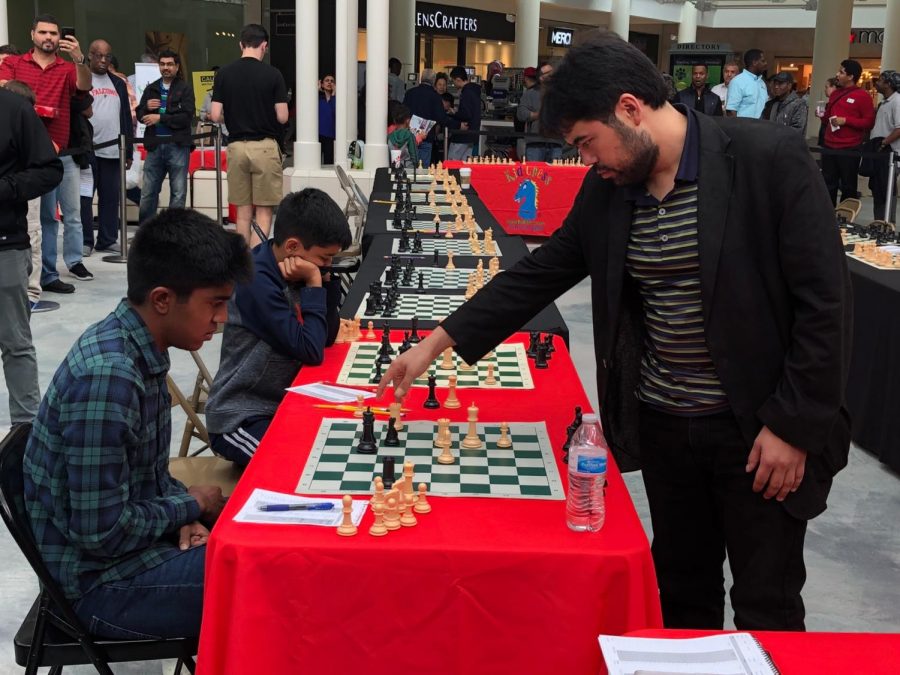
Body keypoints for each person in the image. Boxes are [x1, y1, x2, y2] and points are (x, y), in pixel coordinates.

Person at [378, 32, 852, 632]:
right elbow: (539, 273)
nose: (584, 160)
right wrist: (434, 344)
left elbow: (826, 305)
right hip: (663, 426)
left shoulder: (768, 159)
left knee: (768, 603)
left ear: (629, 109)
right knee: (682, 595)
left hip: (758, 433)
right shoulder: (611, 193)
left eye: (585, 142)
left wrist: (792, 426)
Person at [23, 208, 252, 639]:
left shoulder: (142, 345)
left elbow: (144, 476)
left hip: (127, 557)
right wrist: (190, 505)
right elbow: (100, 533)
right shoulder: (108, 376)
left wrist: (180, 514)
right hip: (97, 588)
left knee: (265, 543)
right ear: (163, 299)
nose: (221, 320)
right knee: (266, 575)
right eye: (215, 304)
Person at [206, 189, 350, 467]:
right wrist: (314, 283)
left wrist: (325, 278)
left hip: (280, 403)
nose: (327, 266)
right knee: (295, 468)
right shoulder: (257, 281)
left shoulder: (293, 266)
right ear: (294, 247)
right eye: (324, 258)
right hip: (240, 416)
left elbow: (326, 338)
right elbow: (311, 350)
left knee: (335, 449)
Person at [0, 14, 93, 294]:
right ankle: (32, 279)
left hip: (58, 150)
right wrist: (33, 111)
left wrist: (79, 60)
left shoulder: (66, 68)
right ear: (32, 35)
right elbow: (5, 93)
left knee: (62, 215)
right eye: (43, 32)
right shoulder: (14, 63)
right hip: (22, 154)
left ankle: (52, 273)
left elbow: (84, 87)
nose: (49, 37)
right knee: (33, 220)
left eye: (53, 33)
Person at [0, 87, 63, 426]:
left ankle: (25, 438)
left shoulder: (13, 109)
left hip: (5, 246)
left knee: (15, 344)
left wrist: (5, 189)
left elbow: (49, 170)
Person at [211, 23, 288, 246]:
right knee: (264, 213)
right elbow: (282, 116)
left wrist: (235, 116)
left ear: (240, 45)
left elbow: (215, 115)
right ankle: (256, 261)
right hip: (264, 146)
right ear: (264, 46)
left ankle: (242, 262)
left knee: (242, 213)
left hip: (236, 147)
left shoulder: (224, 73)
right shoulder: (273, 75)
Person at [84, 39, 133, 254]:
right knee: (85, 198)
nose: (103, 60)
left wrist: (128, 151)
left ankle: (107, 238)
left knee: (111, 199)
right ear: (89, 56)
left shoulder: (118, 83)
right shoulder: (82, 79)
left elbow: (125, 118)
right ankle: (86, 241)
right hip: (87, 151)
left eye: (107, 56)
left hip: (114, 151)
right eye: (98, 55)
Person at [136, 49, 195, 226]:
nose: (166, 68)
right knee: (148, 192)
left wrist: (161, 117)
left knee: (178, 193)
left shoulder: (185, 89)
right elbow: (139, 115)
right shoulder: (151, 88)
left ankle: (173, 233)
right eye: (162, 64)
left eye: (170, 64)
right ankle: (146, 233)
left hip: (177, 145)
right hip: (154, 145)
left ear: (177, 67)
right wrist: (146, 107)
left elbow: (186, 117)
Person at [821, 59, 875, 205]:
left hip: (849, 148)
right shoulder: (835, 94)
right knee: (827, 184)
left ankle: (845, 218)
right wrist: (822, 115)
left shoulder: (862, 96)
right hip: (829, 146)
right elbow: (827, 119)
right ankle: (828, 217)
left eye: (841, 72)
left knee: (848, 185)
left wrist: (846, 121)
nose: (837, 74)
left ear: (851, 77)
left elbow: (868, 122)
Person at [403, 68, 460, 167]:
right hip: (426, 138)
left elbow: (403, 113)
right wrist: (458, 125)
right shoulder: (435, 97)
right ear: (434, 81)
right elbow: (442, 118)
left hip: (409, 136)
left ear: (421, 79)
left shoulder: (409, 93)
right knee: (423, 169)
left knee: (409, 166)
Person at [869, 70, 900, 220]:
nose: (877, 83)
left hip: (889, 153)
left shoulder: (897, 101)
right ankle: (878, 222)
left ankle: (887, 223)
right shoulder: (884, 103)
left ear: (888, 84)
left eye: (880, 80)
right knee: (877, 189)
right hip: (879, 152)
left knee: (887, 190)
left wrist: (883, 143)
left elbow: (899, 128)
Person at [518, 66, 564, 162]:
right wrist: (539, 114)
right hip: (535, 143)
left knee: (555, 175)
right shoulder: (529, 94)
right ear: (541, 77)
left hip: (556, 142)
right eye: (549, 73)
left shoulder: (561, 95)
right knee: (533, 174)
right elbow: (521, 114)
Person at [448, 66, 480, 160]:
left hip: (462, 135)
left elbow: (466, 114)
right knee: (465, 166)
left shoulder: (466, 92)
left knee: (452, 163)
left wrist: (454, 113)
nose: (453, 84)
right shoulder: (474, 90)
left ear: (458, 79)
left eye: (453, 81)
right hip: (472, 135)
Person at [725, 49, 768, 118]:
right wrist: (739, 128)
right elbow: (731, 111)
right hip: (743, 127)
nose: (766, 63)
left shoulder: (762, 83)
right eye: (763, 61)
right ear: (754, 62)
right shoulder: (738, 81)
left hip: (761, 127)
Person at [765, 71, 807, 136]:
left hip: (788, 144)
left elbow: (797, 130)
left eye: (780, 84)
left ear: (789, 86)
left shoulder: (798, 104)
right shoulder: (770, 104)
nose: (776, 86)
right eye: (775, 84)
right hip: (772, 143)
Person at [387, 104, 420, 169]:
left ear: (394, 120)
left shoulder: (389, 137)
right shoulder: (410, 136)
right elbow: (415, 158)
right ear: (408, 121)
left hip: (394, 171)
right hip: (408, 171)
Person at [815, 77, 839, 147]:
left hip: (831, 140)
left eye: (826, 87)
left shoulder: (836, 103)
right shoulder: (829, 103)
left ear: (834, 87)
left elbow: (832, 123)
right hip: (826, 137)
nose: (825, 90)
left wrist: (822, 115)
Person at [319, 74, 336, 165]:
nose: (329, 82)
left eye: (332, 81)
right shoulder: (318, 98)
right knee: (315, 162)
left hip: (330, 135)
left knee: (328, 163)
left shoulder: (336, 99)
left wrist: (333, 95)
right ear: (322, 84)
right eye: (327, 80)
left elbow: (336, 112)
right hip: (318, 135)